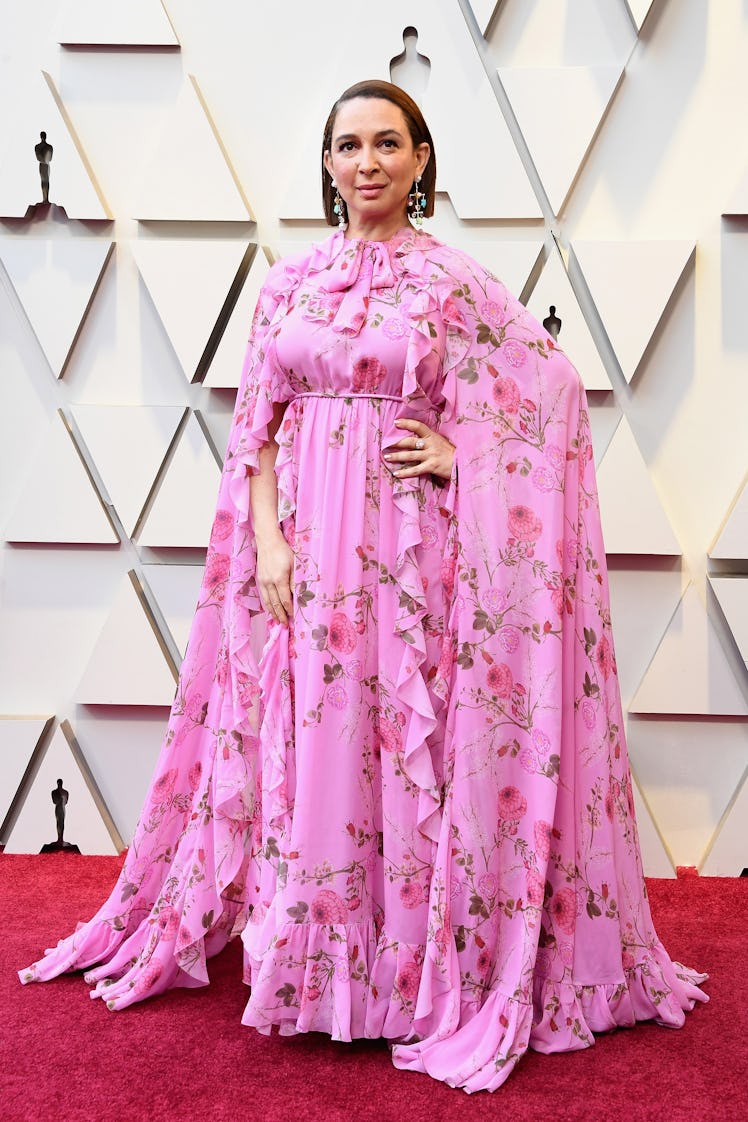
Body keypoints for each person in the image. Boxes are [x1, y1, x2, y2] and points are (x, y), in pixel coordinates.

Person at [20, 80, 707, 1093]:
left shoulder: (453, 286)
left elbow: (551, 390)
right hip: (308, 558)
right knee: (322, 748)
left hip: (414, 563)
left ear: (421, 160)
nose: (369, 162)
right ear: (329, 164)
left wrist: (459, 449)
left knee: (404, 750)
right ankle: (326, 978)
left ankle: (411, 976)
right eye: (349, 145)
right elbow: (252, 434)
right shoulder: (288, 286)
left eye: (389, 143)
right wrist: (268, 548)